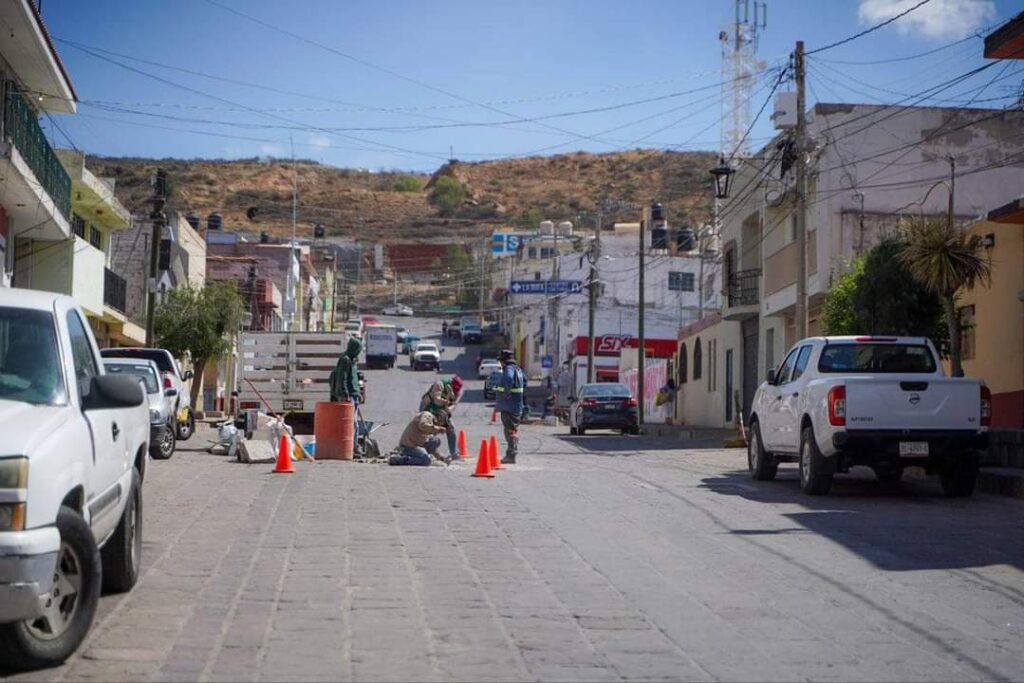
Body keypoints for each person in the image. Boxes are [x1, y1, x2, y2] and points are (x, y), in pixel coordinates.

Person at [329, 336, 362, 453]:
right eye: (358, 350)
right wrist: (346, 395)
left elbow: (353, 379)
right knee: (350, 424)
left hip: (354, 395)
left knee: (355, 424)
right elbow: (341, 379)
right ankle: (350, 448)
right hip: (347, 397)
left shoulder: (352, 360)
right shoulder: (345, 360)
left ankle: (354, 446)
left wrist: (358, 393)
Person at [494, 349, 526, 464]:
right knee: (513, 429)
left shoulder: (509, 369)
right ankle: (511, 453)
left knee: (509, 430)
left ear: (504, 361)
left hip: (509, 405)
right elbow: (525, 382)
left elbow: (508, 379)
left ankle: (511, 455)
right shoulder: (518, 369)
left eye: (501, 362)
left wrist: (505, 393)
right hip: (517, 405)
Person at [419, 375, 463, 458]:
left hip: (442, 410)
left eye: (457, 390)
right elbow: (437, 400)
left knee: (451, 428)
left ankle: (454, 453)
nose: (455, 391)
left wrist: (448, 411)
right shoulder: (439, 385)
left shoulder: (457, 392)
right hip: (428, 406)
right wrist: (447, 400)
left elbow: (454, 404)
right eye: (454, 388)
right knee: (429, 429)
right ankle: (426, 452)